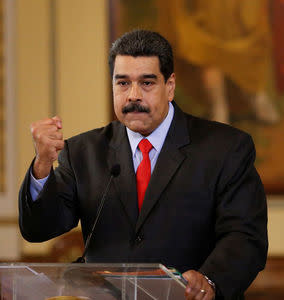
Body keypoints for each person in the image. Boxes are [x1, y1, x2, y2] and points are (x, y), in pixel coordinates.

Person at [18, 30, 268, 300]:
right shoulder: (83, 152)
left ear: (169, 86)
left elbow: (246, 236)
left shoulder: (225, 148)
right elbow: (39, 229)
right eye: (123, 83)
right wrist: (43, 164)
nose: (133, 95)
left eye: (147, 83)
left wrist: (209, 279)